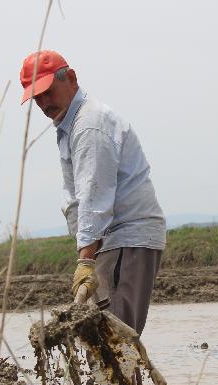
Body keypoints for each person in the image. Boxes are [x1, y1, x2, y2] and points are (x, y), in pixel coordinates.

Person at [20, 50, 166, 335]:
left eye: (48, 92)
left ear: (71, 79)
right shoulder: (69, 125)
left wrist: (86, 261)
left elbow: (93, 197)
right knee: (102, 340)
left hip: (127, 240)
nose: (44, 103)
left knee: (116, 339)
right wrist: (86, 255)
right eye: (37, 98)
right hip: (107, 243)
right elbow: (75, 199)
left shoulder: (89, 124)